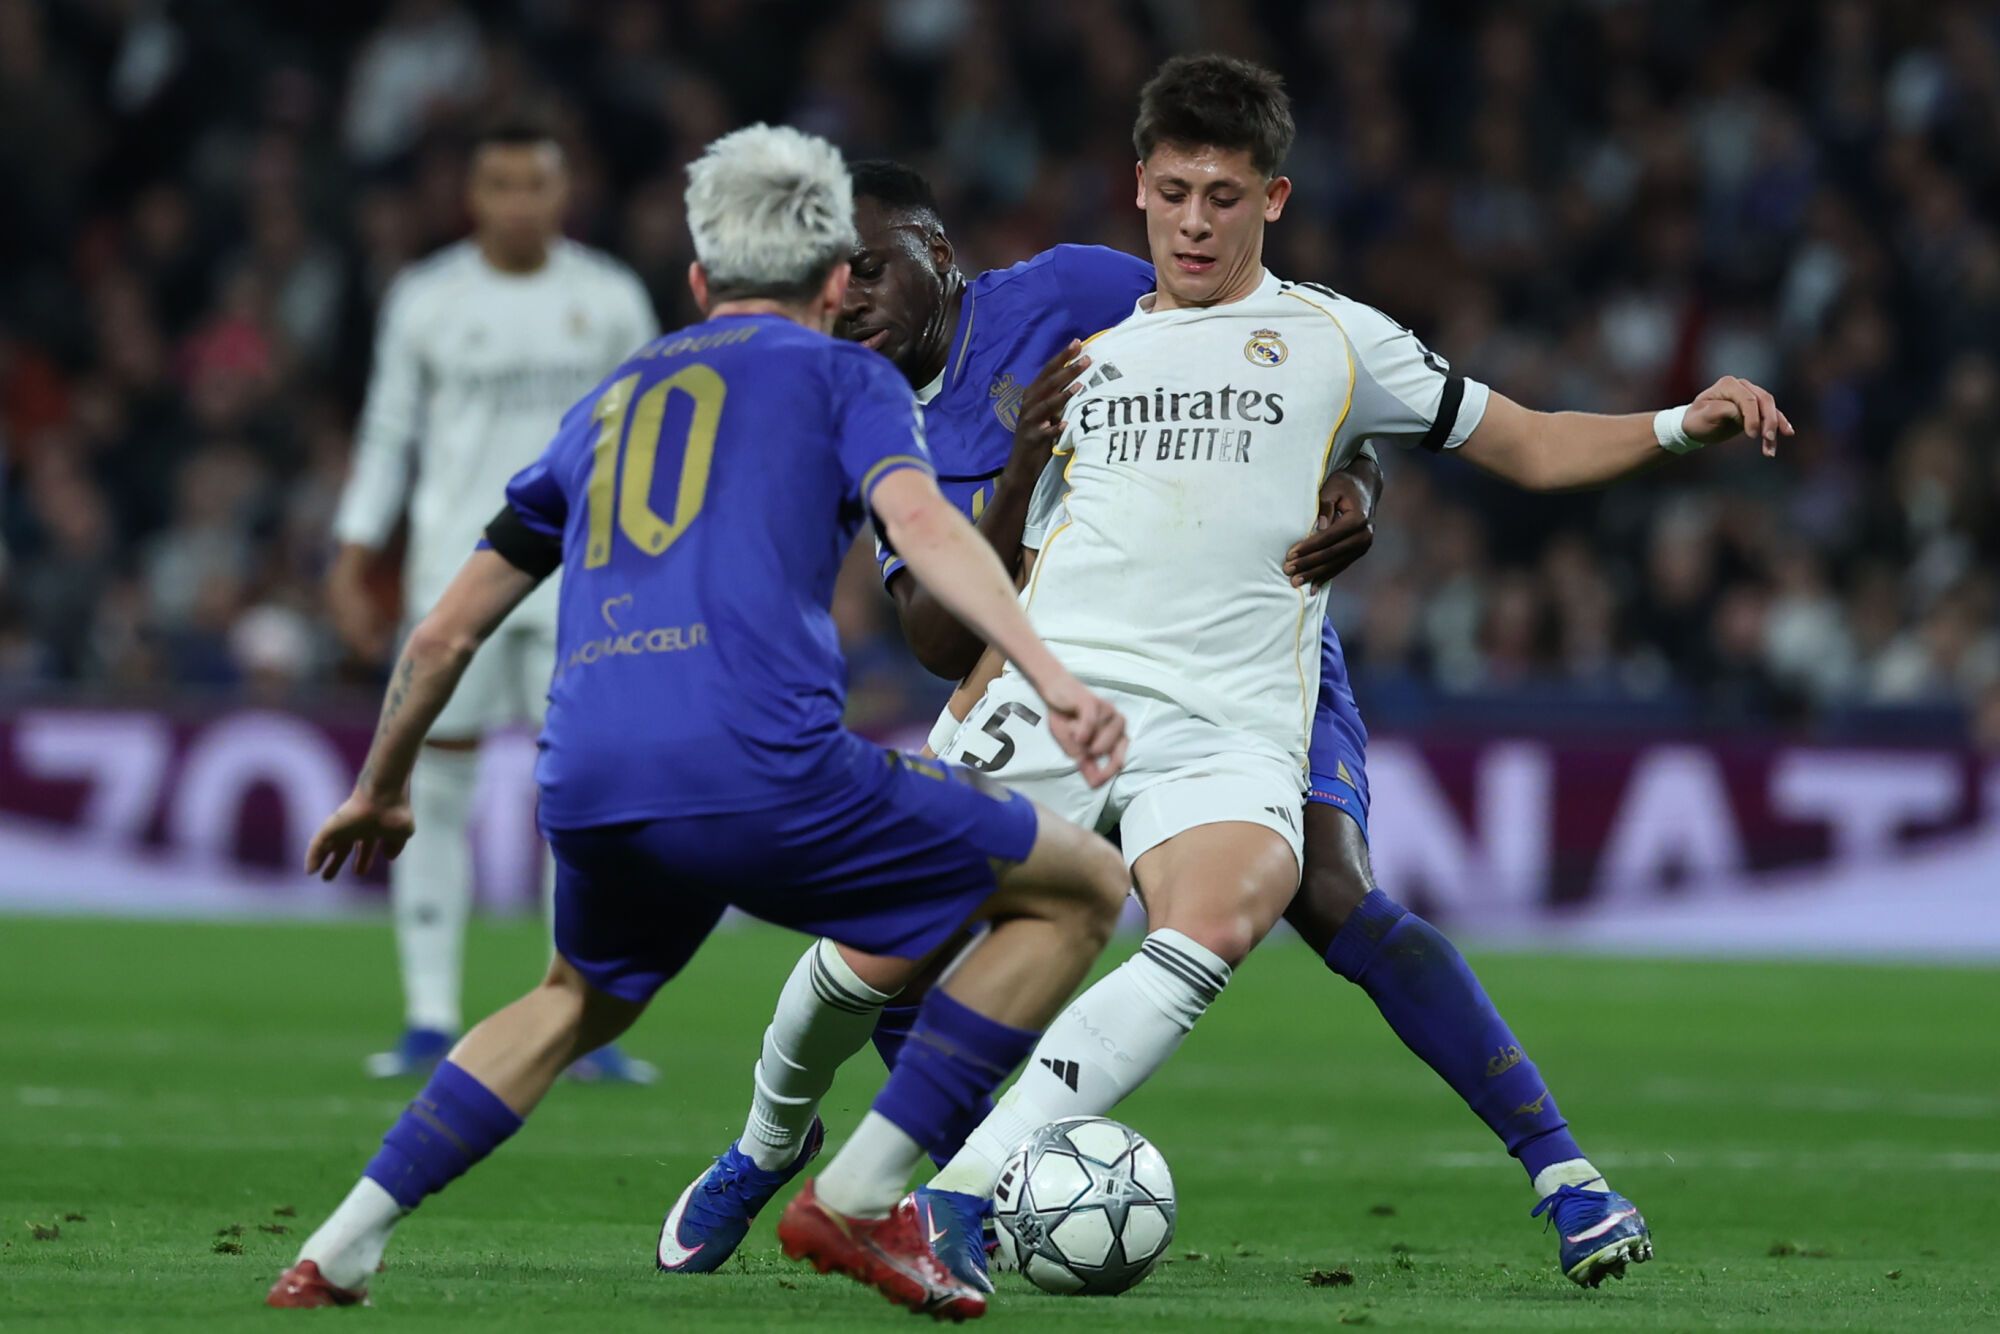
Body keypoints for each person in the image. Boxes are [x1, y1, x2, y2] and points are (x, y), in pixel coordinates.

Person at [266, 124, 1134, 1322]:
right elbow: (926, 529)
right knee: (1079, 885)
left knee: (573, 995)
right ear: (835, 281)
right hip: (761, 765)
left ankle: (340, 1245)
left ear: (693, 286)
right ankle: (865, 1189)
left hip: (588, 770)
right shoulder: (849, 376)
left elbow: (442, 631)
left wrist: (380, 782)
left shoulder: (610, 402)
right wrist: (1050, 671)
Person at [655, 157, 1384, 1276]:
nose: (843, 296)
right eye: (823, 279)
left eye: (865, 267)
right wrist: (1018, 475)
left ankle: (943, 1187)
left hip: (1195, 661)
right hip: (1016, 692)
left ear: (936, 254)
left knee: (1283, 900)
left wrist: (1359, 471)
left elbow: (1274, 350)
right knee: (863, 958)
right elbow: (941, 643)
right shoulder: (859, 413)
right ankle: (766, 1146)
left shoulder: (1073, 289)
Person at [327, 121, 661, 1082]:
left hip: (584, 582)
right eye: (502, 183)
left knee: (581, 797)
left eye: (537, 184)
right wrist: (354, 554)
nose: (520, 201)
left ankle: (579, 1015)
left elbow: (650, 439)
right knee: (431, 788)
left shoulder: (606, 298)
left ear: (566, 193)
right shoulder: (427, 298)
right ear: (473, 196)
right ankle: (430, 1017)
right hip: (451, 580)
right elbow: (389, 433)